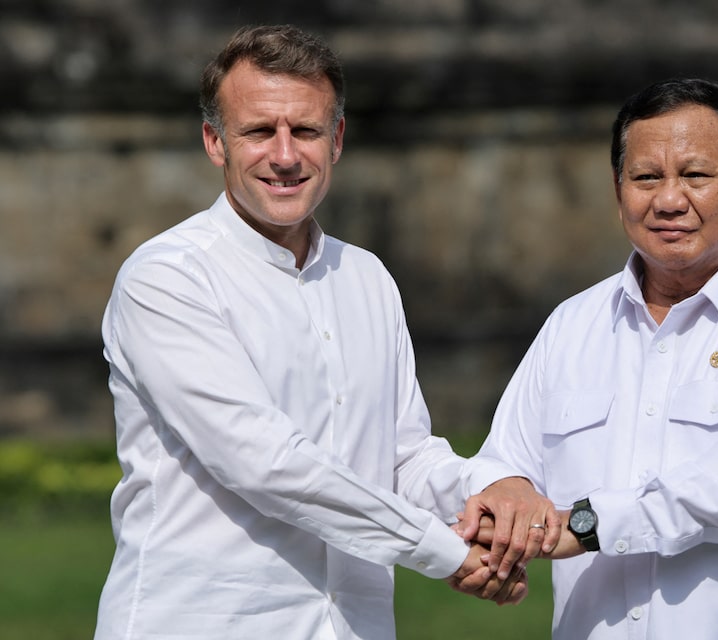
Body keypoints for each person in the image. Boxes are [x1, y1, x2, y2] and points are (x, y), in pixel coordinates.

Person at [94, 24, 558, 640]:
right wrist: (444, 552)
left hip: (351, 624)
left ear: (336, 138)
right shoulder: (167, 279)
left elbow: (405, 455)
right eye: (259, 131)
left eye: (305, 130)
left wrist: (493, 487)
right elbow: (264, 463)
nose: (285, 156)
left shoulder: (366, 277)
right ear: (215, 141)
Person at [464, 78, 718, 639]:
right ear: (619, 192)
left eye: (695, 175)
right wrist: (504, 507)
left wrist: (587, 526)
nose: (668, 199)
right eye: (645, 177)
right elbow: (503, 460)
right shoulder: (572, 325)